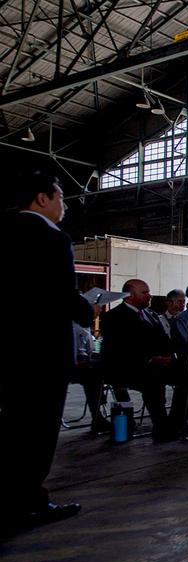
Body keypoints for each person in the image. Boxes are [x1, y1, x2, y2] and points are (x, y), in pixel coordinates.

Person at [1, 171, 97, 531]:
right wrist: (88, 310)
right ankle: (28, 503)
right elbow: (59, 293)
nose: (64, 206)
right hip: (42, 349)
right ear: (41, 199)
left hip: (11, 348)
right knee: (38, 429)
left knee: (13, 424)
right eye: (60, 197)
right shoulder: (50, 237)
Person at [99, 279, 181, 442]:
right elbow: (118, 349)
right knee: (154, 380)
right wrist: (149, 359)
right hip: (127, 367)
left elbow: (164, 341)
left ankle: (176, 421)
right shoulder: (113, 317)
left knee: (186, 373)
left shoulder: (150, 315)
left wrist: (170, 356)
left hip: (157, 363)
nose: (149, 296)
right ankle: (161, 426)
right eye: (144, 293)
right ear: (129, 295)